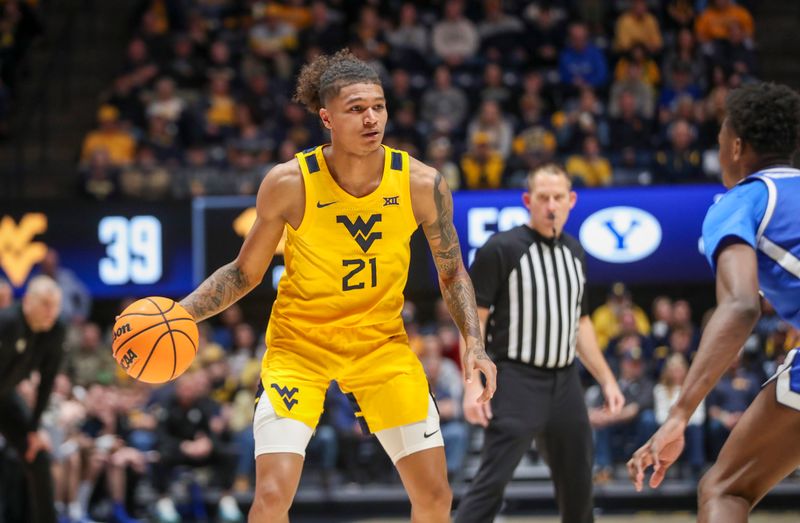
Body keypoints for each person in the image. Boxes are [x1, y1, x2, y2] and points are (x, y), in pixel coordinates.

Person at [177, 49, 496, 522]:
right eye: (356, 109)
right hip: (299, 347)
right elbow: (245, 273)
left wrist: (475, 342)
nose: (371, 118)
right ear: (326, 117)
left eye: (379, 106)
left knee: (435, 496)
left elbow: (452, 272)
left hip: (379, 347)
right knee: (270, 499)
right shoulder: (290, 183)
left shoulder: (420, 183)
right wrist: (179, 314)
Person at [628, 82, 800, 522]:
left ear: (737, 145)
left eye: (721, 138)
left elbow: (741, 305)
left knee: (724, 489)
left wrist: (679, 414)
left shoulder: (742, 200)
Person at [455, 165, 624, 523]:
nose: (551, 205)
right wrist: (471, 385)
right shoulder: (501, 248)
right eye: (543, 197)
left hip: (566, 384)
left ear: (571, 201)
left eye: (558, 197)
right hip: (516, 378)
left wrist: (607, 379)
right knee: (491, 484)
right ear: (528, 201)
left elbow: (581, 325)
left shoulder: (576, 253)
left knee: (579, 487)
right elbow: (473, 321)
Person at [0, 275, 64, 523]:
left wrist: (34, 429)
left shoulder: (56, 331)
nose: (51, 311)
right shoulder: (6, 322)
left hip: (5, 397)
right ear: (27, 301)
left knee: (38, 454)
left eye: (55, 304)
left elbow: (47, 382)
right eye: (45, 303)